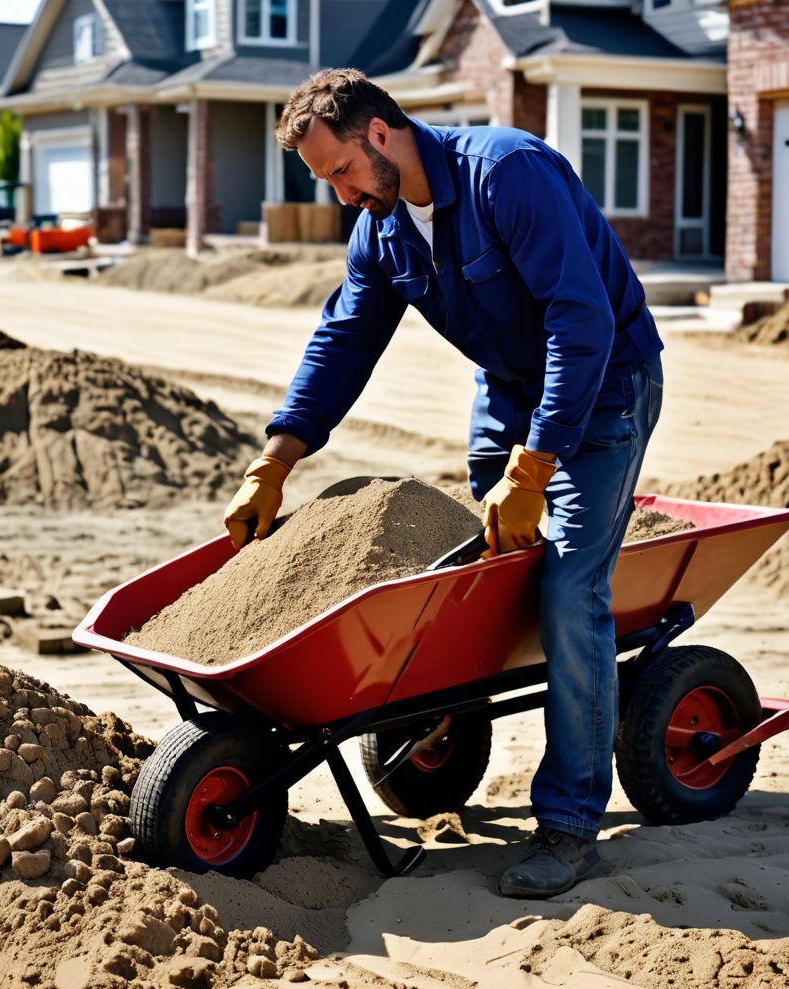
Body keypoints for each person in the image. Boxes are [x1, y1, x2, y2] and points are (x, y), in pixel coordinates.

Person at [223, 68, 663, 899]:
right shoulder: (382, 231)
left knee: (570, 588)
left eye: (342, 174)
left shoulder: (508, 175)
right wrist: (274, 461)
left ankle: (571, 827)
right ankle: (450, 736)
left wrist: (535, 468)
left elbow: (583, 320)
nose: (345, 197)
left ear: (380, 134)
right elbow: (342, 342)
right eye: (327, 185)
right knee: (478, 572)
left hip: (605, 384)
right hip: (508, 388)